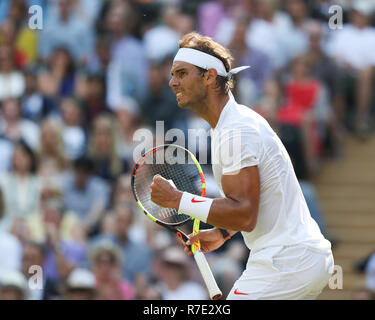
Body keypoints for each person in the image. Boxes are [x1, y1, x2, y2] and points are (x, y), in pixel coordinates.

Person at [150, 32, 334, 300]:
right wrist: (223, 232)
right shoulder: (233, 124)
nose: (172, 82)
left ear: (209, 77)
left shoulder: (237, 130)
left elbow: (244, 213)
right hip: (296, 259)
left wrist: (177, 199)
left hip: (287, 261)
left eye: (181, 73)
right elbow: (254, 202)